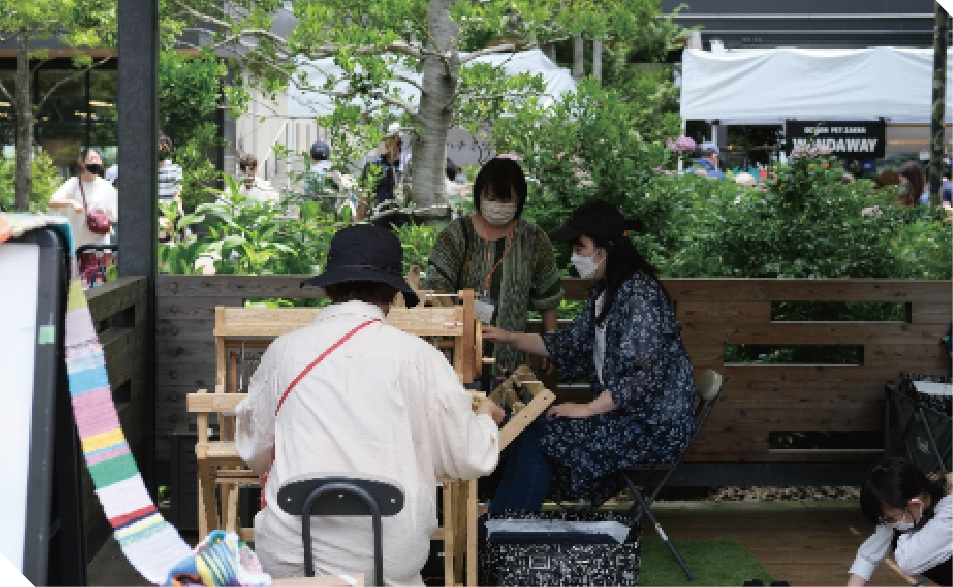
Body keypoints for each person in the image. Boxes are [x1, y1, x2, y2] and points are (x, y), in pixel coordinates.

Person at [235, 224, 503, 585]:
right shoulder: (419, 357)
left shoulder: (284, 352)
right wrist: (485, 419)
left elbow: (255, 452)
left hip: (292, 556)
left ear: (328, 286)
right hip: (387, 561)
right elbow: (470, 458)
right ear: (392, 293)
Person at [482, 199, 696, 510]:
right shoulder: (608, 292)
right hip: (628, 419)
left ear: (605, 248)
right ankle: (502, 521)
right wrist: (508, 337)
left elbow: (644, 377)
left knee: (541, 432)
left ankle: (508, 527)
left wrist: (589, 409)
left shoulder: (640, 297)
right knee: (533, 426)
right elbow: (569, 344)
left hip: (651, 428)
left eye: (580, 247)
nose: (575, 257)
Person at [420, 156, 564, 386]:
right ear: (479, 196)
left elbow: (548, 295)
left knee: (509, 415)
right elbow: (437, 282)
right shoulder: (457, 234)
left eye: (505, 199)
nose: (497, 204)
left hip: (511, 358)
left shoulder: (534, 239)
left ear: (519, 199)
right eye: (490, 198)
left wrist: (553, 345)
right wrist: (462, 324)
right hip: (460, 354)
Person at [847, 457, 952, 586]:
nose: (889, 522)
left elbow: (909, 562)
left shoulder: (948, 510)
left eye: (891, 517)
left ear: (914, 504)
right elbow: (868, 556)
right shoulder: (912, 497)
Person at [49, 147, 118, 250]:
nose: (94, 162)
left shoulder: (107, 187)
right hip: (79, 245)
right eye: (90, 159)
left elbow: (115, 215)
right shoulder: (73, 184)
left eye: (97, 159)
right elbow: (52, 202)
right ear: (81, 162)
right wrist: (71, 202)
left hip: (101, 246)